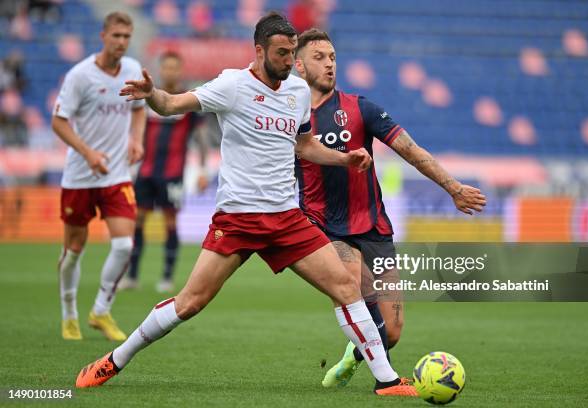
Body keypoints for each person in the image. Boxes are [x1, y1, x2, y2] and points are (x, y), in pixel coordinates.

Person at [75, 12, 418, 397]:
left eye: (292, 53)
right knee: (190, 303)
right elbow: (171, 105)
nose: (290, 61)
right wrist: (152, 94)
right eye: (282, 53)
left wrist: (344, 158)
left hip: (288, 218)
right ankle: (114, 360)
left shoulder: (298, 92)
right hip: (238, 219)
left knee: (345, 286)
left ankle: (386, 381)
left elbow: (303, 145)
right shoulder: (231, 85)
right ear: (259, 50)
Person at [293, 28, 487, 387]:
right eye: (319, 58)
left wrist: (454, 188)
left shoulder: (360, 108)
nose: (330, 64)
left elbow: (411, 151)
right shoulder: (290, 119)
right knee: (349, 284)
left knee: (392, 332)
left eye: (333, 57)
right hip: (324, 228)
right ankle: (388, 381)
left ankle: (355, 356)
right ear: (299, 66)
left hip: (373, 227)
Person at [51, 11, 146, 341]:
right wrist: (88, 153)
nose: (121, 42)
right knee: (74, 249)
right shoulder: (80, 76)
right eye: (116, 35)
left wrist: (136, 139)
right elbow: (59, 122)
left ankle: (101, 310)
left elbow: (138, 110)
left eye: (126, 37)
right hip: (80, 176)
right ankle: (69, 314)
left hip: (116, 175)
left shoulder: (133, 70)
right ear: (103, 36)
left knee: (124, 244)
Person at [120, 51, 209, 293]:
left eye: (174, 68)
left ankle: (167, 277)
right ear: (161, 69)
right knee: (138, 220)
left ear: (180, 71)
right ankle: (132, 276)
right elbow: (135, 131)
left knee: (170, 221)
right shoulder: (150, 97)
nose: (170, 72)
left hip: (173, 174)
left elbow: (201, 138)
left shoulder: (188, 99)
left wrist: (202, 169)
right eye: (167, 67)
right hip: (146, 171)